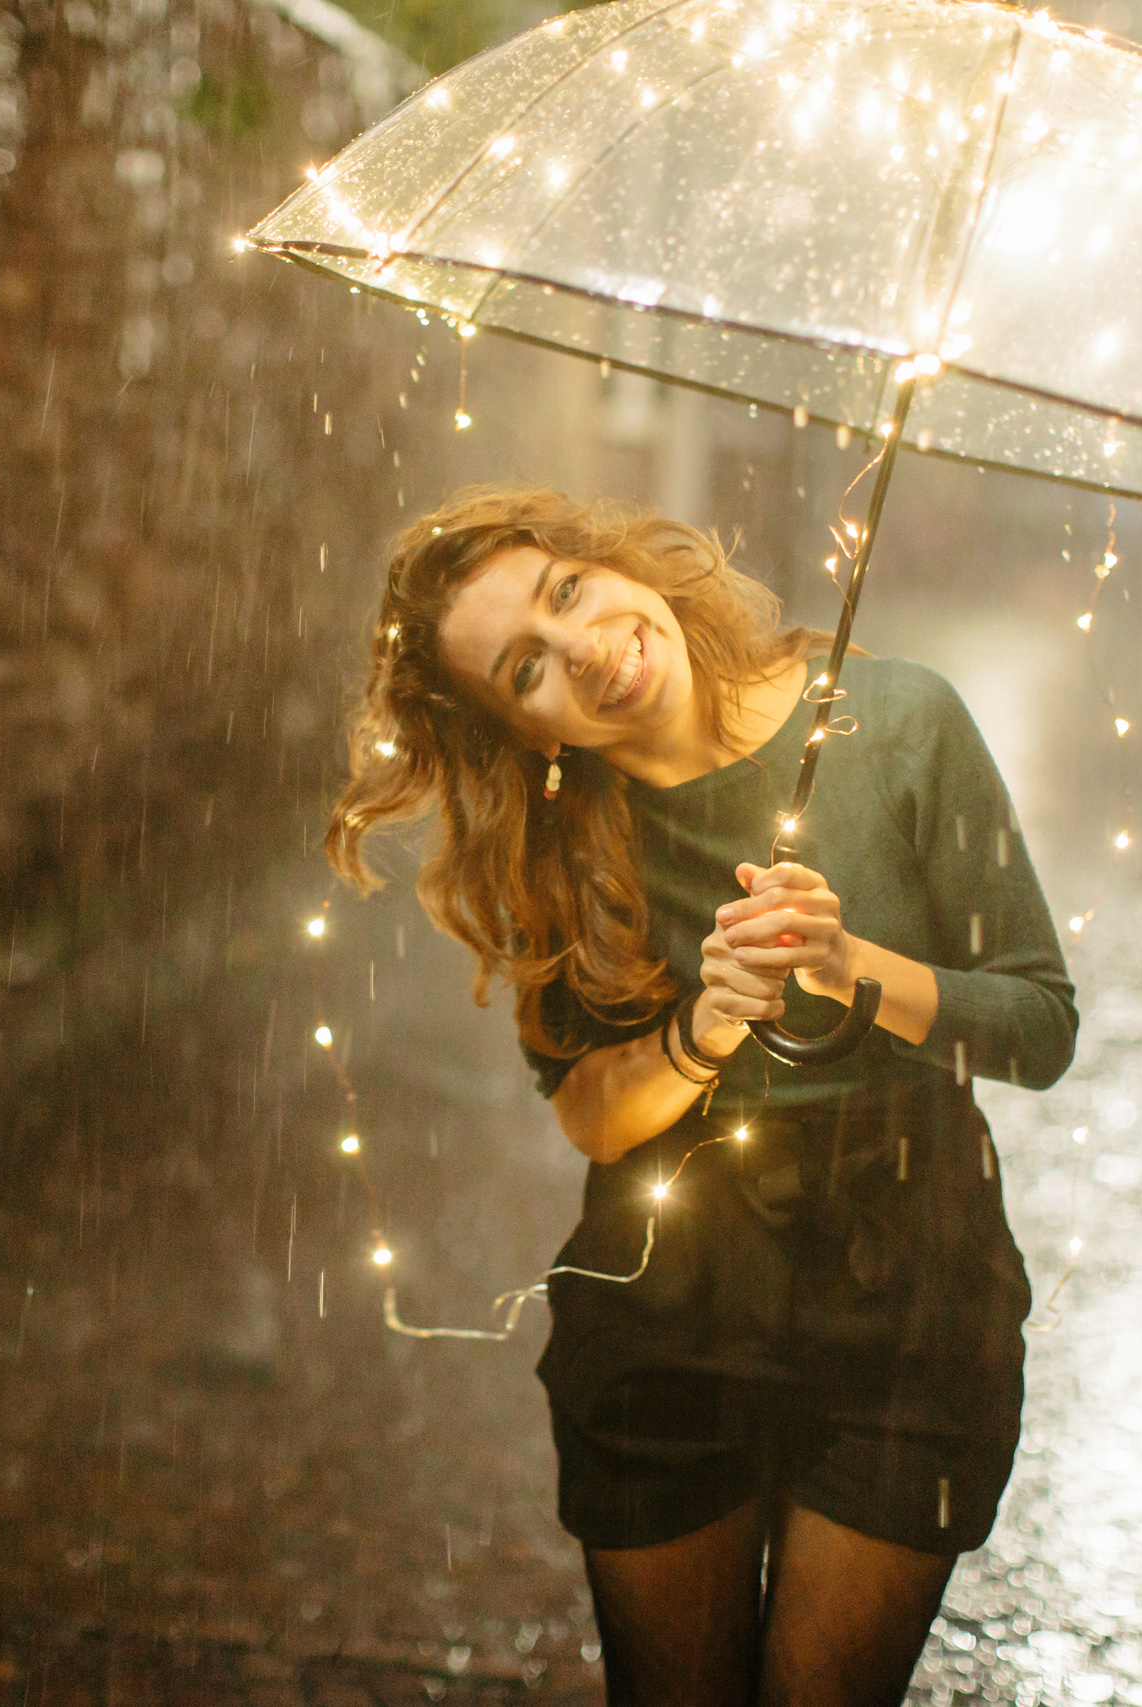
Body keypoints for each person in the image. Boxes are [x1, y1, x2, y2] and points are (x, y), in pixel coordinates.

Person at [328, 488, 1077, 1707]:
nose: (584, 651)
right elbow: (587, 1113)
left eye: (567, 593)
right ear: (525, 733)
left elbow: (1040, 1028)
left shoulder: (898, 723)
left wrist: (851, 969)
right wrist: (701, 1027)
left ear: (613, 562)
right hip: (664, 1307)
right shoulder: (560, 840)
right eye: (525, 670)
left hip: (908, 1299)